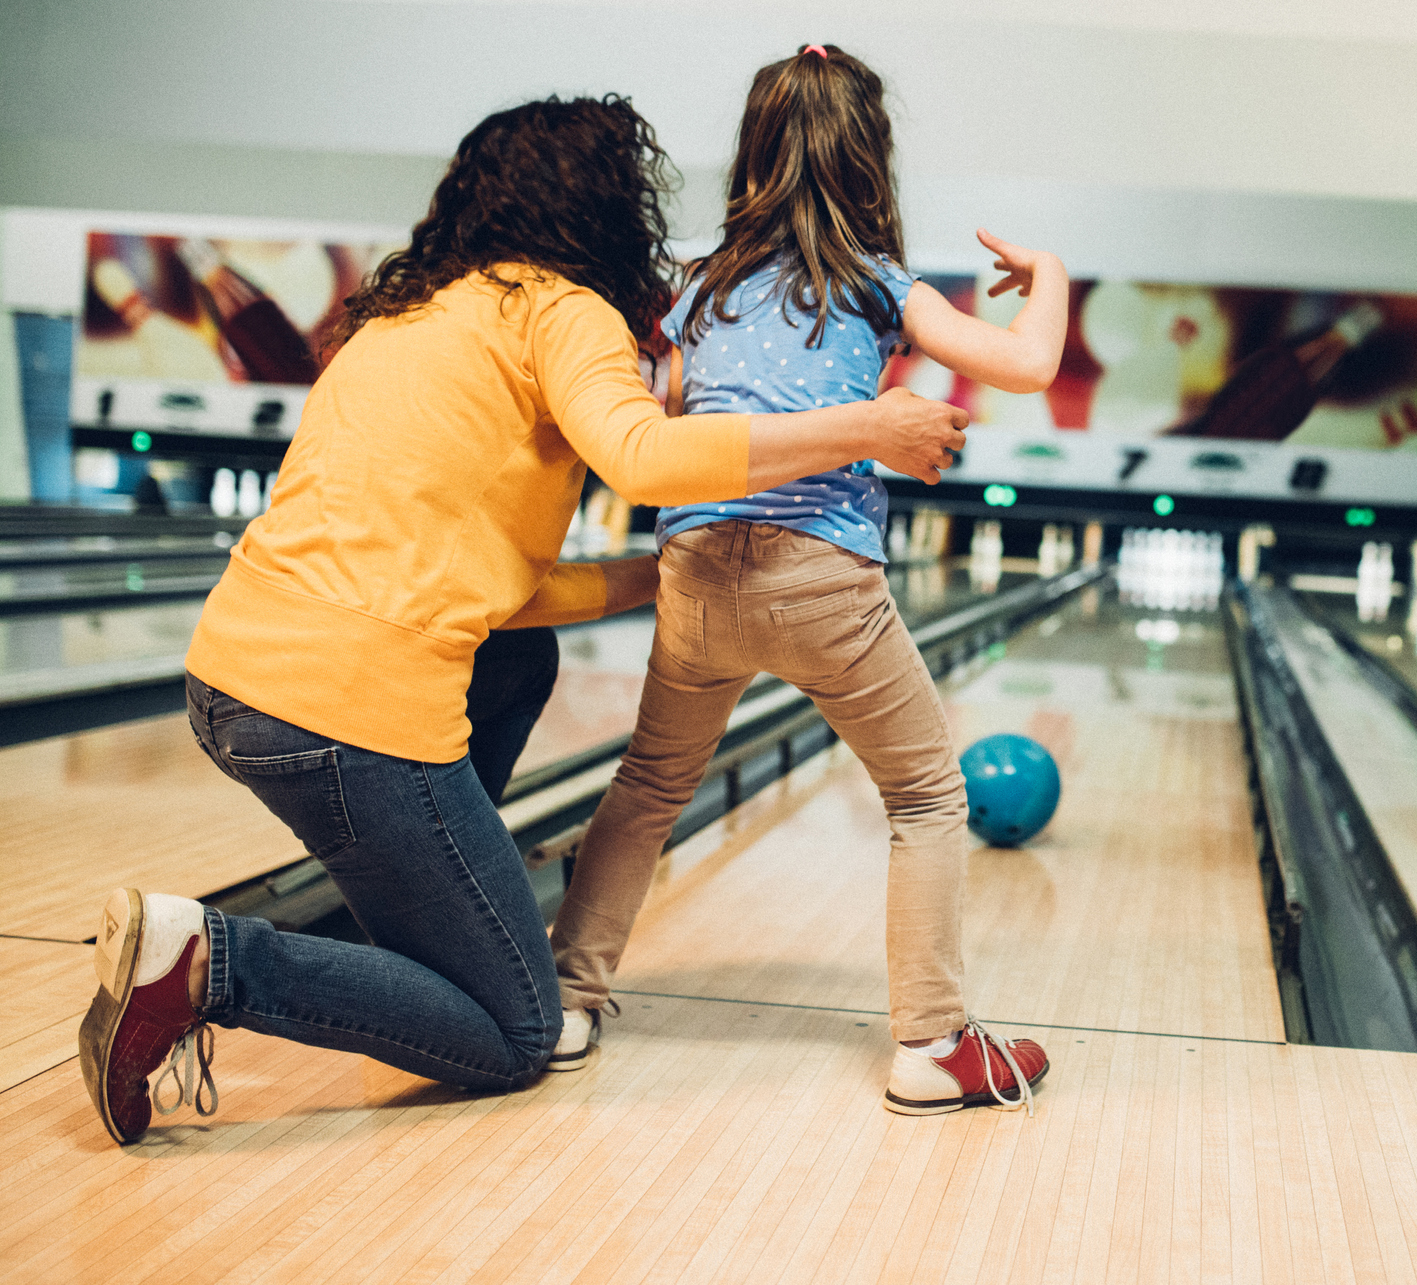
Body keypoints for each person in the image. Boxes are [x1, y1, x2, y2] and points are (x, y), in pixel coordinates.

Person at [77, 94, 970, 1147]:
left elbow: (495, 593)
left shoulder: (404, 315)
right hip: (344, 713)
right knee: (514, 1028)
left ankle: (423, 929)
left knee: (519, 658)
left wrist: (658, 573)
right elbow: (641, 455)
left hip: (232, 682)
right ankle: (208, 960)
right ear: (607, 208)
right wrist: (865, 425)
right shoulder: (563, 311)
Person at [546, 45, 1068, 1115]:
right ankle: (929, 1040)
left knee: (646, 791)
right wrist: (1048, 279)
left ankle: (563, 999)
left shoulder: (695, 286)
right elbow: (1025, 365)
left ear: (750, 153)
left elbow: (663, 409)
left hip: (696, 573)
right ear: (869, 159)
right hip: (823, 576)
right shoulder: (881, 282)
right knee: (926, 793)